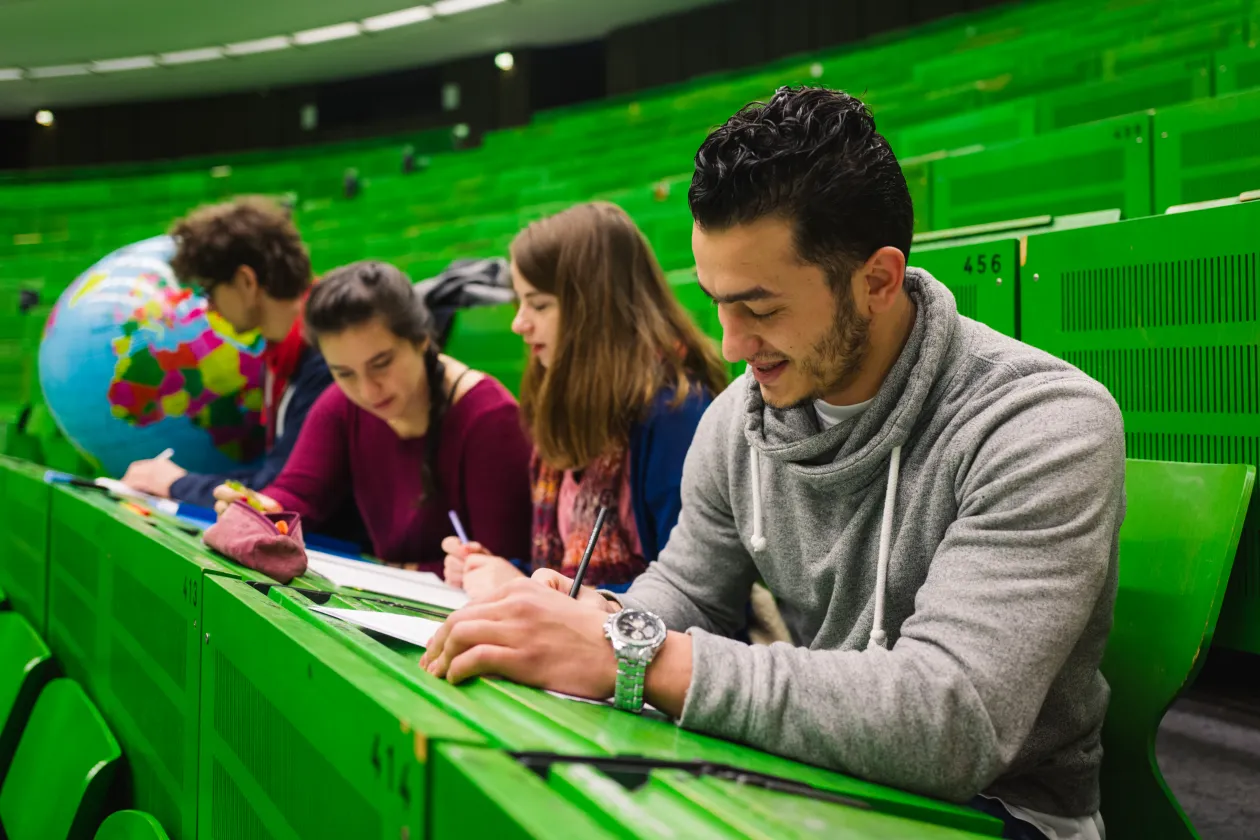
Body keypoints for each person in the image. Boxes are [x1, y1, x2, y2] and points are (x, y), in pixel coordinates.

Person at [420, 87, 1123, 840]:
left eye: (760, 310)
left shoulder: (1040, 423)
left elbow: (950, 721)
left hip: (1002, 811)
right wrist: (601, 618)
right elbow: (687, 591)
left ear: (878, 280)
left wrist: (636, 656)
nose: (729, 346)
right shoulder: (737, 420)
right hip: (814, 775)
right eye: (718, 305)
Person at [442, 203, 727, 597]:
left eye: (539, 305)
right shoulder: (562, 405)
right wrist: (496, 569)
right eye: (519, 303)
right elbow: (564, 572)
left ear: (596, 309)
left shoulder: (675, 413)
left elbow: (700, 598)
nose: (518, 322)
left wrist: (522, 588)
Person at [214, 260, 533, 572]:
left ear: (421, 338)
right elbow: (298, 492)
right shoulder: (340, 403)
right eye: (344, 373)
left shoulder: (491, 421)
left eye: (381, 364)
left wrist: (404, 570)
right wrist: (260, 508)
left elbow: (507, 564)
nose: (367, 390)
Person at [120, 197, 335, 513]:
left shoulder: (327, 356)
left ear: (247, 281)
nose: (209, 307)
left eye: (209, 290)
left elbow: (278, 494)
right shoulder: (281, 355)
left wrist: (176, 484)